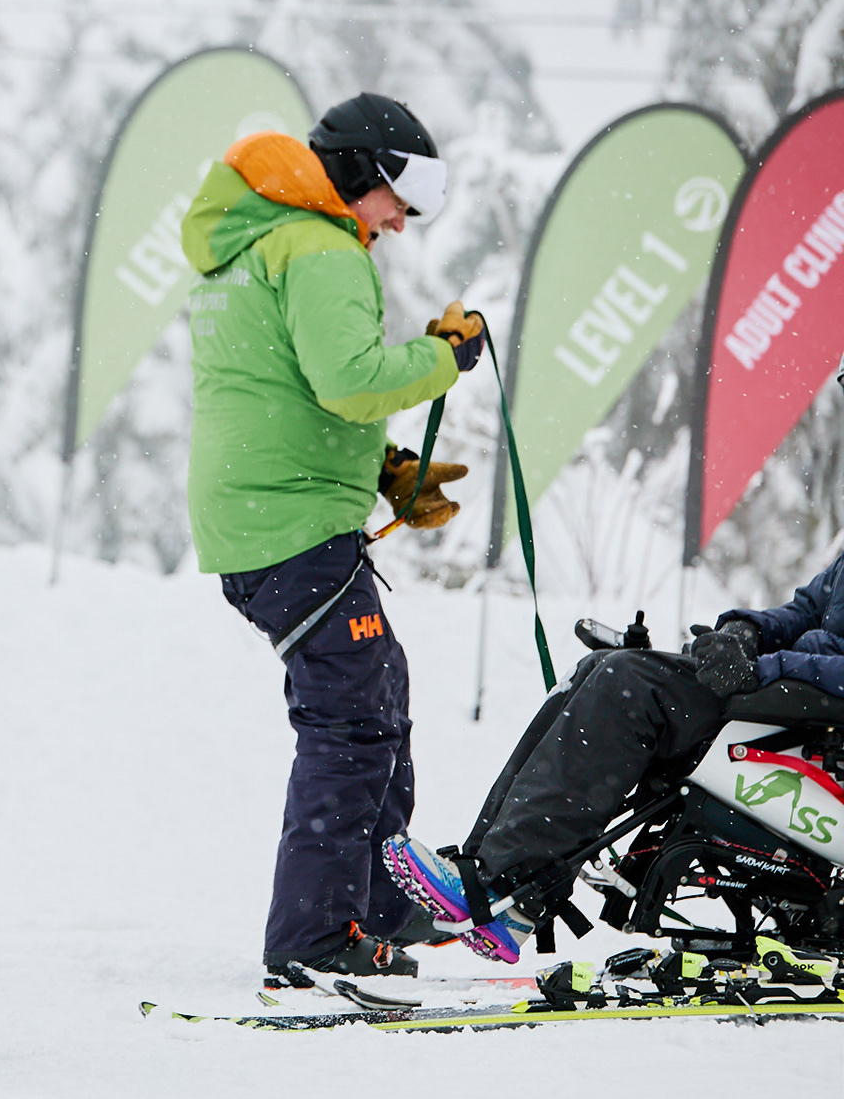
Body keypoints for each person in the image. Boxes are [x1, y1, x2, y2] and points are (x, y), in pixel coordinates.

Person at [179, 92, 486, 981]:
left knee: (373, 693)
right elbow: (349, 380)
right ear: (363, 169)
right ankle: (317, 935)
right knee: (353, 718)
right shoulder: (318, 247)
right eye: (400, 194)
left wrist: (383, 467)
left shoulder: (255, 239)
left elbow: (277, 388)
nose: (402, 218)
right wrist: (447, 360)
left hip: (259, 513)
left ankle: (376, 901)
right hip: (293, 523)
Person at [388, 548, 844, 963]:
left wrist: (766, 666)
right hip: (793, 689)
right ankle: (486, 872)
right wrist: (743, 633)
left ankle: (508, 892)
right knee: (596, 670)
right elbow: (803, 611)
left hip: (812, 701)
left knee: (628, 685)